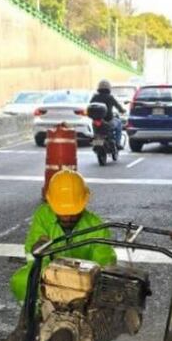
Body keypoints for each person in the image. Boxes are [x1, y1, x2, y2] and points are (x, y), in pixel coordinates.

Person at [9, 170, 116, 302]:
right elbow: (35, 255)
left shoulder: (97, 226)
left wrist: (85, 284)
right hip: (50, 277)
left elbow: (104, 262)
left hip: (84, 283)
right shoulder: (42, 216)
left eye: (73, 212)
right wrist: (51, 279)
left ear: (84, 204)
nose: (68, 217)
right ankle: (37, 317)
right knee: (21, 281)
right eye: (62, 212)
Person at [90, 79, 125, 151]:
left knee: (96, 132)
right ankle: (117, 143)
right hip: (109, 121)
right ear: (109, 88)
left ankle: (97, 143)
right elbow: (118, 106)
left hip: (96, 121)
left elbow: (90, 105)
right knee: (119, 123)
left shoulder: (94, 97)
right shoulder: (110, 97)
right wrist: (122, 110)